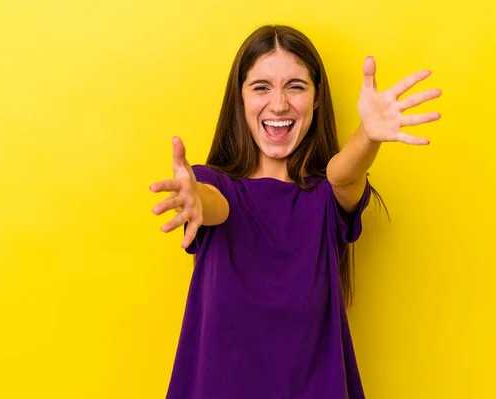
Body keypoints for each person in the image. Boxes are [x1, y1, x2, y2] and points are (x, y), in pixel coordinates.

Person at [150, 24, 441, 399]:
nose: (279, 104)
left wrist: (368, 136)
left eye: (296, 86)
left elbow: (343, 173)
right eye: (261, 87)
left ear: (317, 99)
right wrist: (194, 198)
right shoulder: (216, 189)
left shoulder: (325, 199)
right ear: (239, 98)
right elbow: (213, 204)